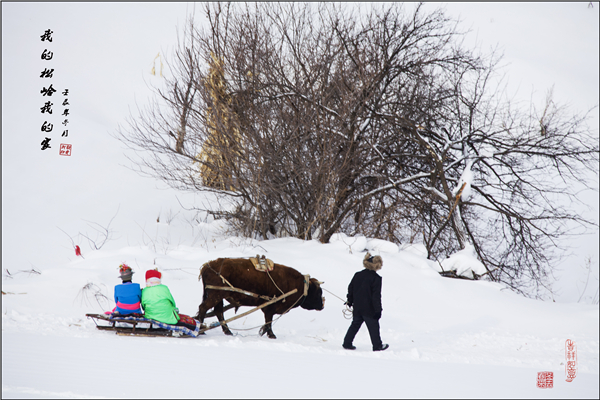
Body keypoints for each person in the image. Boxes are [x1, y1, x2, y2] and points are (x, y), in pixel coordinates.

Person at [342, 252, 389, 351]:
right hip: (369, 309)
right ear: (377, 265)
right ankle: (377, 345)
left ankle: (347, 343)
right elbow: (376, 296)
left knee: (355, 325)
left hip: (358, 307)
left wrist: (350, 300)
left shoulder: (358, 275)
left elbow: (351, 288)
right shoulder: (376, 279)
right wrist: (378, 310)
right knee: (374, 327)